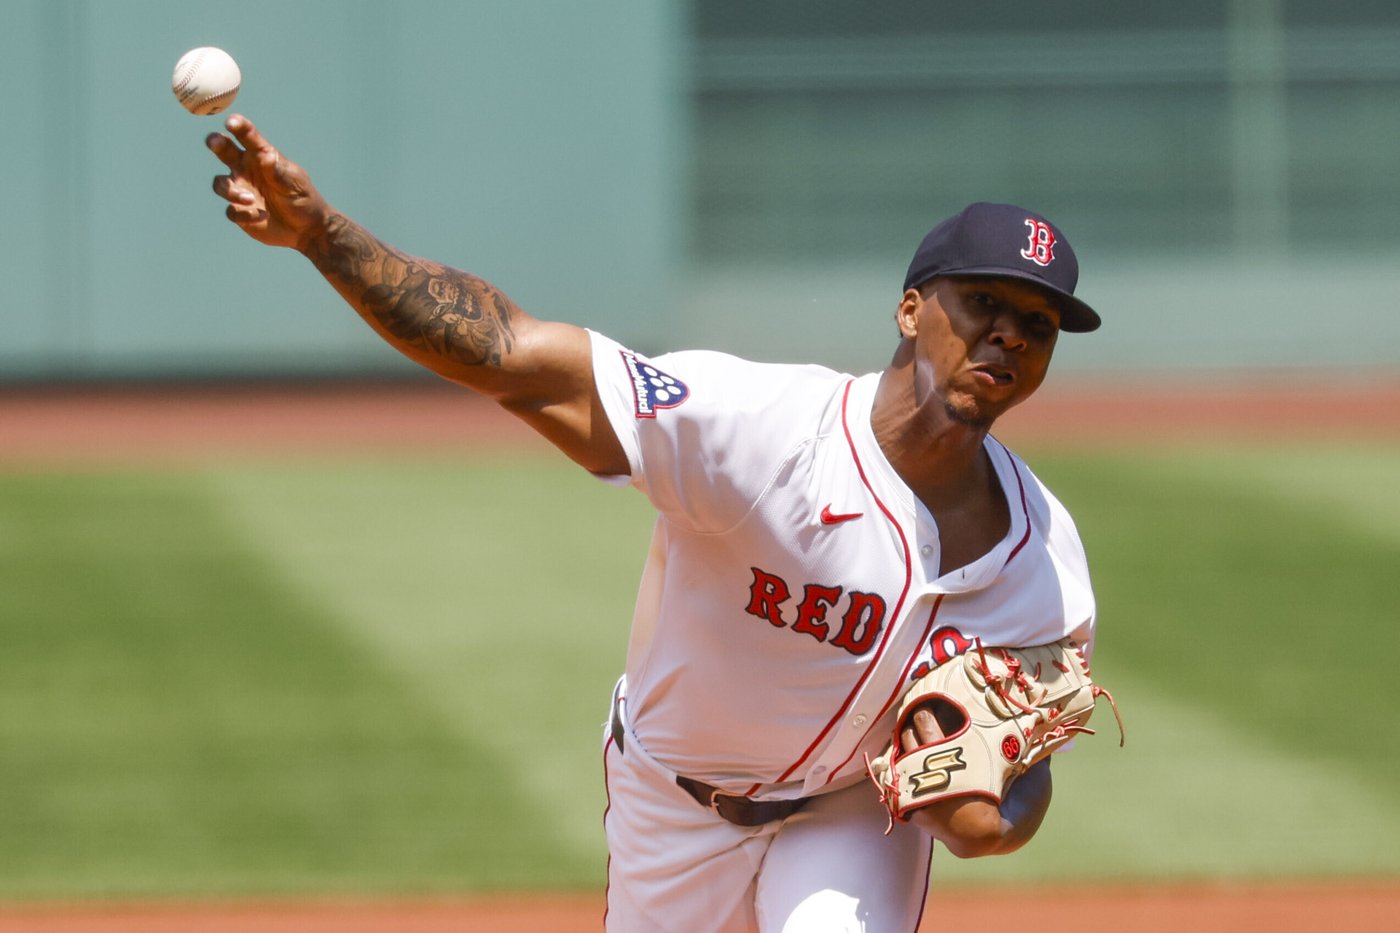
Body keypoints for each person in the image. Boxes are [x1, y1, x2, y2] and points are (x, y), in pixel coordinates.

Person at [205, 114, 1102, 933]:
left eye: (1038, 323)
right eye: (982, 303)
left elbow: (1031, 752)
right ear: (911, 309)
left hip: (849, 810)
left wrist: (1001, 822)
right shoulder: (762, 433)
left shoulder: (1043, 559)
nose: (1011, 335)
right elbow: (516, 356)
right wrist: (323, 238)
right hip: (675, 800)